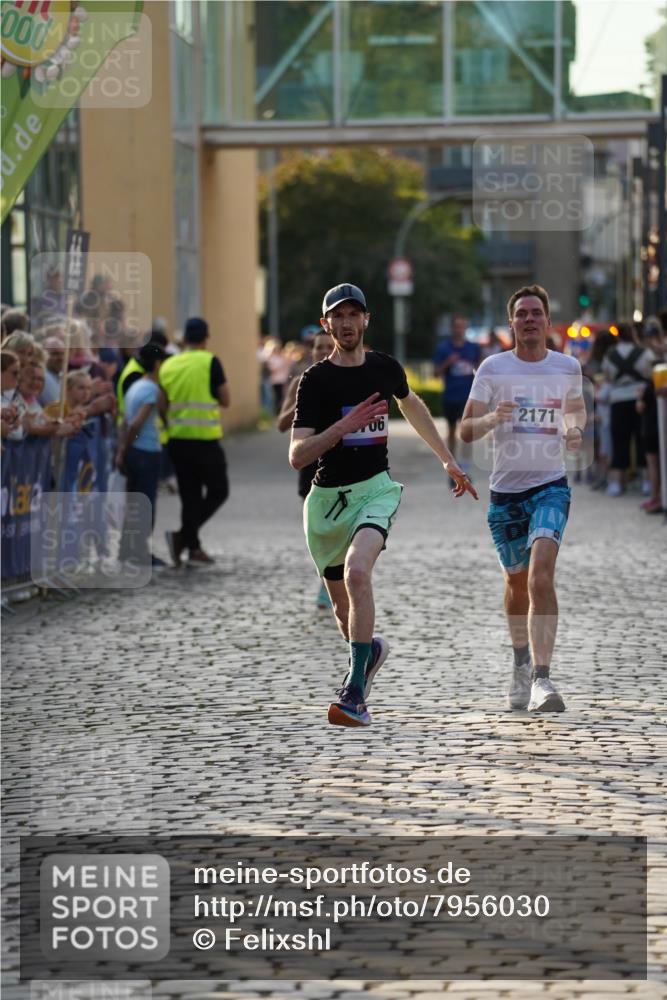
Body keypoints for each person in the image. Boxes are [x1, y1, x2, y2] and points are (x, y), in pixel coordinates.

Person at [290, 283, 478, 728]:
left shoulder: (384, 368)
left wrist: (448, 461)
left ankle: (355, 693)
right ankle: (368, 651)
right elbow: (298, 455)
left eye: (354, 314)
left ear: (366, 320)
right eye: (338, 316)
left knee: (359, 572)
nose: (347, 322)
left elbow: (412, 406)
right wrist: (343, 426)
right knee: (342, 610)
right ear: (326, 324)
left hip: (375, 490)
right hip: (325, 505)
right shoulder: (315, 381)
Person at [460, 284, 586, 713]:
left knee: (540, 577)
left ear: (548, 322)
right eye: (521, 314)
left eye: (536, 313)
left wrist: (574, 429)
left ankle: (542, 680)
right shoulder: (493, 368)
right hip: (505, 492)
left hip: (551, 485)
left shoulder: (567, 366)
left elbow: (576, 408)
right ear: (511, 322)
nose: (529, 319)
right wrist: (494, 417)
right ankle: (520, 663)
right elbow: (465, 430)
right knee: (515, 583)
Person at [160, 316, 230, 566]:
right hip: (206, 441)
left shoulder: (169, 365)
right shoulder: (210, 361)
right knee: (219, 490)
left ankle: (191, 545)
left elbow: (161, 403)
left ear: (185, 339)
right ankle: (184, 537)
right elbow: (225, 399)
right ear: (206, 337)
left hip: (178, 441)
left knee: (189, 496)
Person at [277, 328, 334, 609]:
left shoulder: (345, 379)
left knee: (342, 528)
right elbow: (281, 424)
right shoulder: (301, 381)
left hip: (340, 462)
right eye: (318, 348)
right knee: (319, 531)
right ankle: (327, 581)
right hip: (310, 464)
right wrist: (302, 398)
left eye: (328, 347)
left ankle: (333, 582)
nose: (323, 352)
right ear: (312, 352)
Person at [116, 343, 169, 567]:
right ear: (157, 364)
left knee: (134, 503)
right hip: (146, 452)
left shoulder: (135, 386)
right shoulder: (150, 390)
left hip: (134, 453)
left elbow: (125, 420)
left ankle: (126, 549)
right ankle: (140, 552)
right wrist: (126, 446)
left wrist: (122, 450)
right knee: (146, 503)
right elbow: (137, 422)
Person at [601, 322, 654, 497]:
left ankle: (616, 483)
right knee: (641, 439)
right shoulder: (644, 352)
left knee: (619, 441)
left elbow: (607, 376)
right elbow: (650, 372)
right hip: (639, 398)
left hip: (618, 400)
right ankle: (647, 481)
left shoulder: (610, 355)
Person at [433, 315, 481, 477]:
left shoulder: (473, 348)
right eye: (457, 326)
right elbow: (435, 373)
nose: (459, 330)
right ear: (452, 328)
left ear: (466, 328)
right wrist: (448, 362)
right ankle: (452, 465)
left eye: (462, 326)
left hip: (468, 397)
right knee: (452, 431)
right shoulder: (444, 348)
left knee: (467, 432)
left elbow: (481, 370)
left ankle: (466, 467)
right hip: (450, 396)